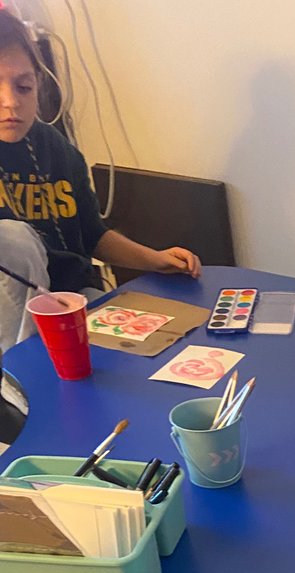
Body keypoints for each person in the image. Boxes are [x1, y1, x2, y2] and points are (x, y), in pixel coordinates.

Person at [0, 10, 200, 350]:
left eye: (24, 87)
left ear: (38, 83)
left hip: (78, 299)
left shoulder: (58, 150)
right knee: (11, 237)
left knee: (170, 347)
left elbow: (92, 234)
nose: (11, 103)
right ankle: (22, 377)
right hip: (17, 332)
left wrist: (156, 259)